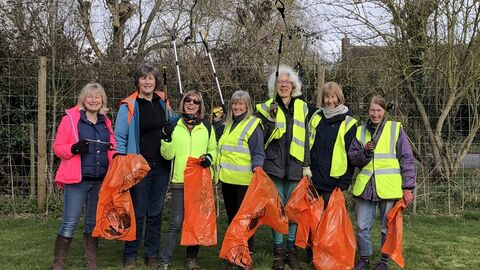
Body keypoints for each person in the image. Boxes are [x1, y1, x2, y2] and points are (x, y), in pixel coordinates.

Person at [114, 63, 177, 269]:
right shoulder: (129, 105)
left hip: (162, 165)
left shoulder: (162, 102)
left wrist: (175, 122)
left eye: (151, 78)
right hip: (139, 165)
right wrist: (121, 161)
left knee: (156, 212)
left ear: (155, 81)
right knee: (138, 211)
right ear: (137, 82)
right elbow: (120, 137)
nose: (148, 81)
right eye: (143, 78)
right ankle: (130, 255)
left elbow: (174, 122)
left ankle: (151, 255)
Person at [52, 82, 116, 270]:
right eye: (90, 96)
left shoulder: (106, 122)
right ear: (83, 99)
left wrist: (116, 158)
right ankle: (58, 264)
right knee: (70, 222)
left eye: (98, 97)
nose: (94, 100)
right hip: (77, 181)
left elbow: (111, 149)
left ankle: (91, 264)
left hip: (99, 181)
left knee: (92, 224)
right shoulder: (70, 119)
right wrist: (72, 148)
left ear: (102, 100)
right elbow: (57, 147)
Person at [348, 95, 416, 270]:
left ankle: (383, 262)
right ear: (368, 110)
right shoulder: (360, 131)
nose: (375, 114)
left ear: (384, 111)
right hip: (365, 187)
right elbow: (353, 158)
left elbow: (407, 158)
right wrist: (366, 153)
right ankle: (364, 259)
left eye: (379, 110)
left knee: (387, 227)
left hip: (389, 187)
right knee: (362, 226)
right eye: (372, 110)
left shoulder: (395, 129)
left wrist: (408, 187)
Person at [256, 64, 310, 270]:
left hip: (296, 167)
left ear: (294, 85)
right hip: (274, 168)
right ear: (274, 85)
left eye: (287, 82)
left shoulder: (302, 108)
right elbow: (262, 138)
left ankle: (291, 251)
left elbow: (306, 139)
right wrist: (270, 118)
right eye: (280, 82)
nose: (284, 85)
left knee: (293, 211)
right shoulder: (266, 108)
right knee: (277, 211)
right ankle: (278, 252)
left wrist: (307, 165)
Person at [157, 90, 217, 270]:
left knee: (195, 222)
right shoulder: (174, 125)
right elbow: (167, 156)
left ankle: (191, 260)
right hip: (179, 181)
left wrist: (209, 159)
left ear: (200, 107)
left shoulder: (207, 126)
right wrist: (166, 137)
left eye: (196, 101)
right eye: (188, 100)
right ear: (183, 103)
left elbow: (214, 149)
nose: (191, 103)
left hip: (199, 181)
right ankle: (165, 261)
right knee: (176, 222)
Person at [216, 90, 265, 259]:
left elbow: (258, 152)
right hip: (227, 180)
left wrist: (257, 166)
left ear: (247, 106)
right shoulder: (229, 125)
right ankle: (234, 251)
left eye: (241, 104)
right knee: (232, 218)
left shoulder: (253, 124)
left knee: (244, 220)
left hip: (245, 181)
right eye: (235, 104)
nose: (237, 107)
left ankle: (246, 252)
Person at [308, 82, 357, 206]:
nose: (330, 101)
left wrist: (344, 182)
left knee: (330, 223)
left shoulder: (348, 122)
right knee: (312, 222)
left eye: (333, 97)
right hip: (313, 179)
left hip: (335, 183)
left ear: (339, 98)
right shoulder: (316, 117)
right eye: (327, 97)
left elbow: (350, 155)